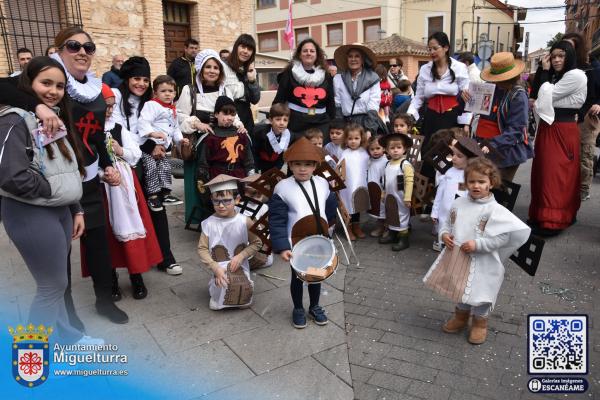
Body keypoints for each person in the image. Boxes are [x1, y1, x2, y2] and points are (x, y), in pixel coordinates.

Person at [0, 27, 129, 325]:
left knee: (98, 243)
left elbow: (95, 135)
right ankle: (67, 315)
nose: (82, 51)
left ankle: (105, 300)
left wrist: (108, 162)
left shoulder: (96, 92)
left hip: (84, 178)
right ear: (59, 51)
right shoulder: (42, 84)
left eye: (89, 46)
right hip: (50, 185)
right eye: (73, 46)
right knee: (59, 259)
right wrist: (39, 106)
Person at [0, 56, 102, 345]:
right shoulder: (14, 119)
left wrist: (75, 207)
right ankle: (36, 361)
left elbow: (64, 168)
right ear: (27, 84)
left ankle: (67, 339)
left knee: (56, 284)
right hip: (29, 212)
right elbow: (11, 176)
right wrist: (54, 191)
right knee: (51, 286)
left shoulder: (52, 118)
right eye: (46, 83)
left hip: (57, 210)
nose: (53, 91)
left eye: (59, 85)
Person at [423, 157, 530, 344]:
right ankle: (461, 316)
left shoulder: (495, 210)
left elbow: (503, 237)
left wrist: (479, 245)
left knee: (480, 292)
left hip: (483, 262)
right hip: (459, 257)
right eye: (472, 181)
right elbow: (448, 222)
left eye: (481, 182)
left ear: (491, 183)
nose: (476, 186)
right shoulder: (459, 203)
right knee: (460, 287)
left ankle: (480, 323)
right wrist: (444, 234)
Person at [112, 56, 183, 276]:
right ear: (126, 78)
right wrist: (150, 144)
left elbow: (171, 122)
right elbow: (118, 130)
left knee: (156, 208)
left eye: (145, 79)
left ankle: (165, 257)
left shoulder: (150, 103)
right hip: (122, 161)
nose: (141, 84)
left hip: (145, 160)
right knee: (128, 213)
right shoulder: (116, 98)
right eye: (136, 78)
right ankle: (131, 262)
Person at [101, 84, 162, 301]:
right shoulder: (88, 128)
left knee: (132, 227)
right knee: (106, 232)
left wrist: (120, 151)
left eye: (110, 106)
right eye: (104, 106)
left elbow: (135, 154)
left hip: (125, 185)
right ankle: (111, 280)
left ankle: (136, 277)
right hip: (101, 186)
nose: (108, 111)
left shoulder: (118, 127)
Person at [269, 137, 337, 328]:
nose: (302, 169)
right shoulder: (282, 188)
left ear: (315, 165)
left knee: (316, 275)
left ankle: (315, 306)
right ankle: (298, 308)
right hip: (296, 242)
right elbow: (277, 220)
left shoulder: (323, 184)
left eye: (307, 164)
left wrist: (328, 230)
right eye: (297, 164)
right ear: (290, 165)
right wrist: (282, 246)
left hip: (319, 240)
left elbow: (330, 207)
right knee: (298, 277)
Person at [176, 48, 245, 225]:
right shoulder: (189, 90)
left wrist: (240, 127)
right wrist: (196, 123)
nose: (212, 71)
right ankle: (202, 222)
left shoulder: (225, 92)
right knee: (199, 185)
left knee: (222, 185)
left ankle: (223, 219)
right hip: (198, 148)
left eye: (216, 67)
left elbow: (234, 116)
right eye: (208, 67)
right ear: (200, 69)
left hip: (221, 149)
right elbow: (179, 116)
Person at [529, 41, 587, 236]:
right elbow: (539, 93)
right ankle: (542, 216)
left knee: (555, 175)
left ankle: (553, 221)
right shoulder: (558, 77)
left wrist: (545, 74)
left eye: (561, 56)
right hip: (550, 127)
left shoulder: (576, 76)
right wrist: (543, 72)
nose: (556, 60)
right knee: (543, 172)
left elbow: (545, 97)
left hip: (561, 129)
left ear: (570, 56)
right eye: (553, 56)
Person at [197, 174, 262, 310]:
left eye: (226, 201)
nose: (221, 206)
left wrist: (241, 255)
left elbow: (257, 242)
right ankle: (215, 291)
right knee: (224, 283)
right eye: (216, 201)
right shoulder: (209, 223)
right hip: (219, 265)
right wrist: (215, 267)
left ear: (237, 199)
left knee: (243, 290)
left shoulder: (244, 221)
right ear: (211, 200)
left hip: (239, 263)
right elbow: (202, 249)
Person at [407, 32, 471, 152]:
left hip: (452, 119)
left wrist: (466, 123)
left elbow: (468, 97)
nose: (431, 52)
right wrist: (409, 115)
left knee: (450, 153)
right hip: (430, 118)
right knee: (429, 152)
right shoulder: (425, 69)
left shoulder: (459, 67)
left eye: (435, 48)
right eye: (429, 49)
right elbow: (418, 97)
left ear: (446, 48)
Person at [480, 52, 533, 182]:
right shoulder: (495, 88)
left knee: (498, 190)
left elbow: (516, 130)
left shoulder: (518, 96)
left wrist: (492, 144)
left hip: (508, 150)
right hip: (489, 145)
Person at [137, 75, 187, 211]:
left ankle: (165, 194)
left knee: (165, 168)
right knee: (151, 169)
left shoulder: (172, 109)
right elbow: (143, 121)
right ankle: (153, 196)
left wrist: (180, 139)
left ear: (175, 93)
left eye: (170, 91)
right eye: (163, 91)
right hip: (148, 145)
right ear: (155, 93)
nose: (167, 94)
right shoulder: (152, 105)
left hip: (164, 148)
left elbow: (175, 127)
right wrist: (152, 133)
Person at [273, 38, 336, 142]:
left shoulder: (326, 74)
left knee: (319, 156)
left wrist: (332, 123)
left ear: (317, 54)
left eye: (312, 51)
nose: (308, 53)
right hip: (295, 124)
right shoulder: (289, 73)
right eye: (305, 51)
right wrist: (275, 119)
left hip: (321, 124)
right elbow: (280, 99)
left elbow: (330, 103)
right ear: (299, 54)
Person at [562, 33, 600, 201]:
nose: (567, 49)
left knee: (585, 155)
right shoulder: (560, 66)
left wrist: (598, 103)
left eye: (570, 45)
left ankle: (584, 188)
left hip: (586, 118)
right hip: (564, 118)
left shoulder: (590, 66)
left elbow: (594, 93)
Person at [431, 137, 485, 251]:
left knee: (456, 241)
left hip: (461, 217)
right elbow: (440, 194)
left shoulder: (471, 177)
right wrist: (435, 211)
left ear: (470, 160)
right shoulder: (449, 172)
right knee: (444, 237)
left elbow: (472, 199)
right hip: (444, 214)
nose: (454, 158)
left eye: (459, 156)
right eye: (453, 154)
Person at [197, 95, 255, 182]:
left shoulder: (242, 135)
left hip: (239, 178)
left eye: (232, 114)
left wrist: (251, 182)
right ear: (216, 114)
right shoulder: (210, 137)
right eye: (225, 114)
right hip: (217, 179)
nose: (229, 118)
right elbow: (203, 166)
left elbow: (249, 163)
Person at [333, 43, 386, 136]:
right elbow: (338, 105)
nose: (353, 59)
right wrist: (340, 128)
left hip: (366, 123)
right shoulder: (338, 79)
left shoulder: (372, 78)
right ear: (347, 59)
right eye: (350, 56)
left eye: (357, 56)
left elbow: (373, 104)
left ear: (362, 60)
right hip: (346, 124)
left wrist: (369, 130)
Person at [378, 133, 414, 251]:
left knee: (401, 216)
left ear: (404, 149)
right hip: (390, 196)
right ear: (387, 150)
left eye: (398, 148)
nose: (395, 151)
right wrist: (383, 193)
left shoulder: (405, 164)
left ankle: (404, 239)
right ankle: (393, 234)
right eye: (392, 148)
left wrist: (407, 197)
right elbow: (384, 180)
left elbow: (409, 181)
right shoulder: (387, 164)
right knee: (392, 215)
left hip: (401, 197)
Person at [223, 34, 260, 137]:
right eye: (243, 47)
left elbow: (255, 99)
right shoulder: (223, 66)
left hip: (246, 115)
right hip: (228, 114)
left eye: (249, 49)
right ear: (236, 47)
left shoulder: (249, 69)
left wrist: (252, 81)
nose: (245, 51)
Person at [338, 123, 370, 240]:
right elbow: (340, 168)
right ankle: (348, 228)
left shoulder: (364, 152)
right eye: (350, 138)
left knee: (357, 205)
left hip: (360, 184)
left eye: (356, 138)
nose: (353, 141)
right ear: (345, 139)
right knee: (348, 207)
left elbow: (368, 166)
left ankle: (356, 226)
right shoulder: (345, 153)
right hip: (347, 186)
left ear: (361, 138)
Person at [253, 103, 291, 172]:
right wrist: (255, 170)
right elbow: (254, 153)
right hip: (260, 163)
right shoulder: (260, 134)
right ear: (270, 120)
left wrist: (276, 170)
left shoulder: (287, 135)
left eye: (285, 120)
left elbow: (281, 156)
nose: (282, 123)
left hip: (274, 165)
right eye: (278, 119)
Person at [366, 135, 388, 237]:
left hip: (382, 190)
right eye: (372, 149)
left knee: (384, 209)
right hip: (372, 190)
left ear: (383, 148)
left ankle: (386, 228)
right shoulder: (369, 161)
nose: (375, 151)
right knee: (377, 209)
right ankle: (380, 227)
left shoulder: (385, 162)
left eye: (378, 148)